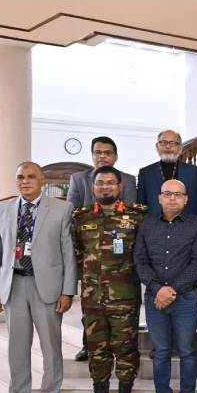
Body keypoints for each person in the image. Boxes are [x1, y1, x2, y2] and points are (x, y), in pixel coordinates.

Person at [0, 162, 76, 393]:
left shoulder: (61, 209)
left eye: (30, 176)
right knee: (16, 348)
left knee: (51, 347)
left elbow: (68, 254)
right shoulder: (1, 209)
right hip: (13, 286)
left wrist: (68, 291)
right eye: (20, 177)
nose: (25, 181)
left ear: (42, 180)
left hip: (46, 287)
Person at [73, 166, 148, 393]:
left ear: (120, 187)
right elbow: (77, 254)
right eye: (100, 183)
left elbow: (143, 254)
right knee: (97, 350)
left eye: (110, 183)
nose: (105, 187)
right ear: (93, 187)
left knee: (125, 350)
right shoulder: (80, 218)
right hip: (92, 298)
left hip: (124, 297)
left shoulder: (137, 216)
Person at [134, 179, 197, 393]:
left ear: (186, 199)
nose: (172, 198)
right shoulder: (147, 225)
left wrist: (172, 289)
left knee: (186, 350)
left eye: (178, 194)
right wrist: (158, 289)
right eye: (167, 193)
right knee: (161, 351)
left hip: (185, 298)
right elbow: (140, 261)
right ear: (159, 198)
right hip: (155, 299)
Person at [67, 136, 138, 362]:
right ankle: (88, 345)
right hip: (90, 251)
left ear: (115, 157)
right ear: (92, 155)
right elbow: (71, 212)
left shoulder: (127, 179)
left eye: (107, 152)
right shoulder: (79, 179)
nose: (102, 156)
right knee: (91, 304)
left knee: (125, 306)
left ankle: (124, 347)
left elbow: (130, 211)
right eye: (98, 152)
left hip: (120, 254)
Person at [136, 129, 197, 218]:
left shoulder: (196, 173)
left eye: (172, 143)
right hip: (154, 224)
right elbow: (140, 206)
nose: (167, 146)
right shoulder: (146, 173)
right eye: (163, 142)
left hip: (189, 224)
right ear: (157, 147)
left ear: (180, 148)